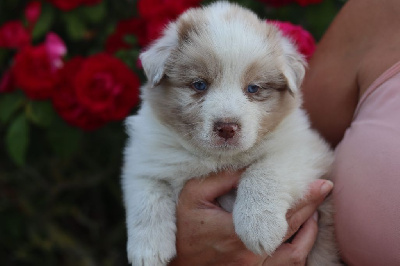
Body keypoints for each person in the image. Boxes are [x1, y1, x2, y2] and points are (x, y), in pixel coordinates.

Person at [169, 0, 400, 265]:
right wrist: (186, 252)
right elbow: (303, 139)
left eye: (252, 89)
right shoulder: (383, 12)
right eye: (200, 85)